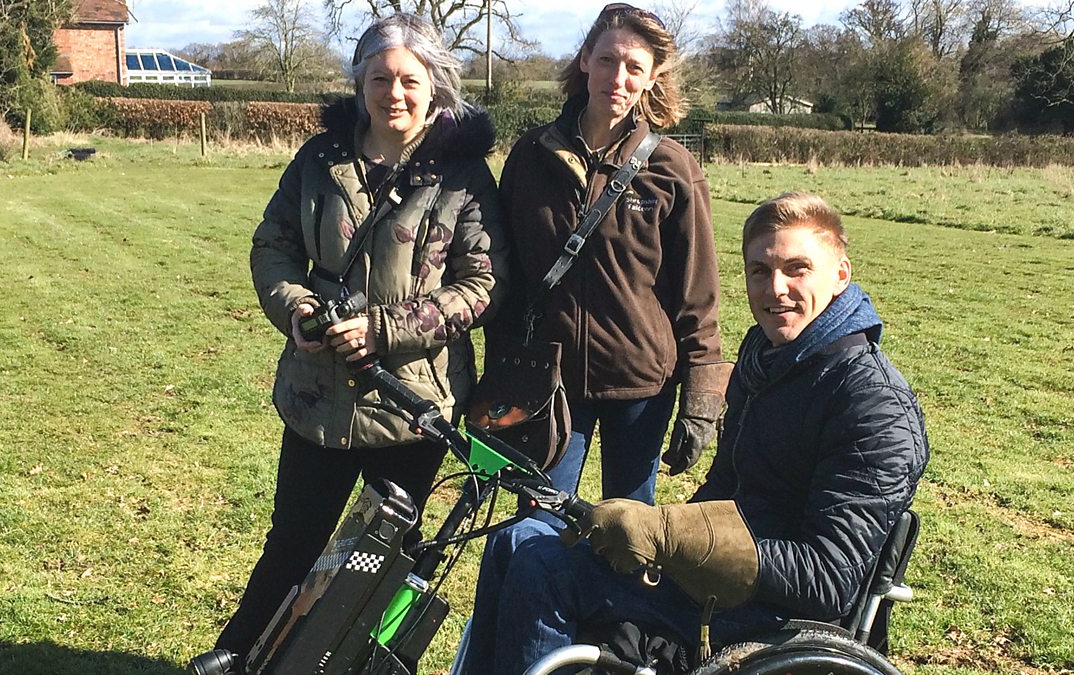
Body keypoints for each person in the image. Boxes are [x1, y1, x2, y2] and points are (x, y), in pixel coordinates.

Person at [456, 192, 930, 674]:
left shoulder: (873, 404)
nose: (776, 289)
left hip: (774, 613)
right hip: (717, 580)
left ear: (841, 275)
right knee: (518, 536)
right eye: (760, 272)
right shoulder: (766, 357)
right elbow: (726, 488)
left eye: (797, 269)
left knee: (544, 570)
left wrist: (670, 537)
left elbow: (827, 577)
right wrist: (663, 541)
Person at [211, 13, 506, 659]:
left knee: (384, 563)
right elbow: (273, 247)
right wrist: (295, 309)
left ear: (435, 85)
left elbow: (482, 283)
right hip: (317, 397)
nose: (393, 93)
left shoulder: (463, 178)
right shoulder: (320, 158)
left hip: (409, 406)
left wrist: (385, 330)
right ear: (359, 80)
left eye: (408, 79)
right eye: (380, 77)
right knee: (293, 549)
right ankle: (244, 660)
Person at [488, 2, 731, 506]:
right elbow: (503, 275)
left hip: (642, 383)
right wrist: (499, 376)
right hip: (548, 380)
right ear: (585, 61)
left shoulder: (672, 168)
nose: (617, 78)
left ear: (651, 79)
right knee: (537, 519)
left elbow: (697, 295)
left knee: (628, 529)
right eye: (607, 61)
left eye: (634, 67)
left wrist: (704, 397)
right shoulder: (531, 156)